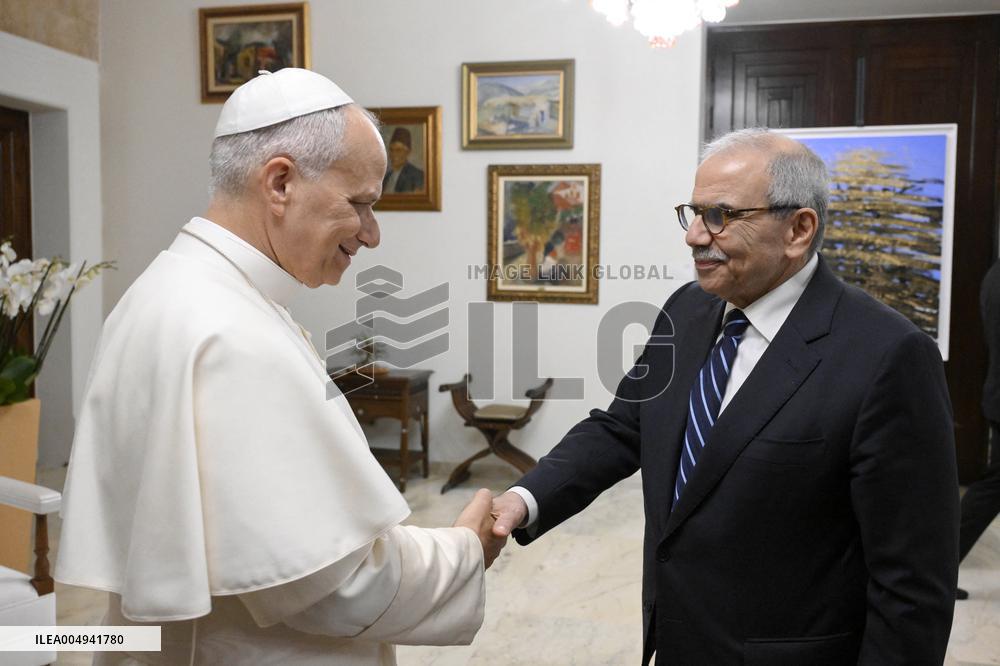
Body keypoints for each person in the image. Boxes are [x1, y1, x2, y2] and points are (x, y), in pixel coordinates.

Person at [56, 68, 503, 665]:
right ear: (281, 182)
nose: (371, 234)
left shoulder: (170, 290)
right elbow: (332, 588)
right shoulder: (230, 330)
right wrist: (462, 550)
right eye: (360, 203)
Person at [492, 128, 959, 664]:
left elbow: (912, 589)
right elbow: (623, 427)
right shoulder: (686, 310)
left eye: (720, 215)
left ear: (798, 229)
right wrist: (522, 501)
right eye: (692, 213)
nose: (694, 235)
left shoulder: (888, 355)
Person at [956, 257, 1000, 599]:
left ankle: (935, 564)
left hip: (996, 395)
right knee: (992, 489)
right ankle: (935, 564)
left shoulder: (993, 274)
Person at [382, 127, 425, 193]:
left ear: (407, 152)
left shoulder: (417, 175)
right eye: (391, 150)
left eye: (398, 150)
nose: (393, 154)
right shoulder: (387, 177)